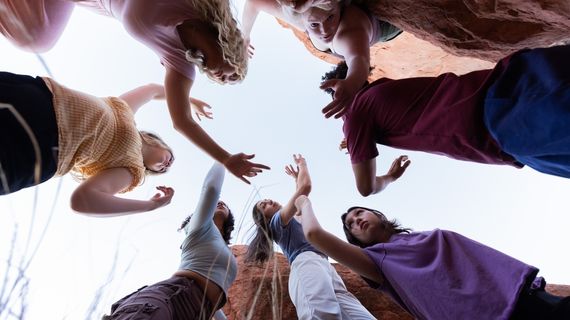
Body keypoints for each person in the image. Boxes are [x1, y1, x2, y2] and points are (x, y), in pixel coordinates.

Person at [0, 0, 270, 183]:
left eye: (227, 81)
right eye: (234, 73)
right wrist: (246, 31)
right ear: (234, 48)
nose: (224, 78)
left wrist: (225, 159)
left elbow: (182, 122)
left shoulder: (179, 61)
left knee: (34, 35)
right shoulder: (198, 4)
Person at [322, 44, 570, 197]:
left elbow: (365, 188)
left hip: (499, 122)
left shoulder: (356, 113)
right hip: (509, 83)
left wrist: (389, 177)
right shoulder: (381, 92)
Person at [293, 195, 570, 320]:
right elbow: (315, 234)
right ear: (354, 240)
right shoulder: (375, 262)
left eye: (359, 213)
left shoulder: (420, 237)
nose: (356, 221)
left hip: (524, 296)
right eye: (351, 225)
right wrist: (303, 202)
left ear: (378, 214)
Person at [0, 71, 188, 215]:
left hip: (39, 146)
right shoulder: (125, 113)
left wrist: (150, 205)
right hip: (41, 97)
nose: (166, 166)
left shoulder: (131, 170)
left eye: (162, 170)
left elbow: (82, 200)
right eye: (171, 158)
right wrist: (187, 101)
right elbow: (153, 90)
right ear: (159, 143)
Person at [245, 154, 375, 320]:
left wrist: (295, 178)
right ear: (264, 218)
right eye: (264, 205)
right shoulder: (276, 223)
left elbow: (300, 195)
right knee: (321, 313)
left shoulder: (292, 218)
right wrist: (303, 164)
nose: (269, 201)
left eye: (267, 199)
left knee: (359, 316)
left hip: (324, 264)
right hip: (305, 262)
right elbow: (304, 189)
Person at [103, 162, 237, 319]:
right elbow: (211, 189)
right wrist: (222, 159)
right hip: (170, 296)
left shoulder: (225, 251)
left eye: (224, 204)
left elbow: (214, 301)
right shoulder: (200, 227)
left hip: (196, 312)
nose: (220, 203)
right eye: (216, 202)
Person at [242, 0, 402, 119]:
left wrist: (353, 83)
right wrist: (245, 36)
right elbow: (254, 3)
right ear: (303, 20)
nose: (325, 30)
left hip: (387, 26)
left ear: (339, 8)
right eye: (314, 25)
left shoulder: (347, 32)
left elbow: (358, 59)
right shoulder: (298, 16)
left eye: (330, 18)